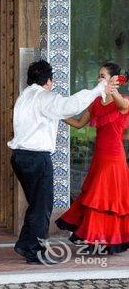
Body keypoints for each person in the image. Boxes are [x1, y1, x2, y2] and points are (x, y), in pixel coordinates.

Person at [7, 59, 118, 265]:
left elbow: (64, 112)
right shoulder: (45, 97)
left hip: (20, 157)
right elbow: (70, 104)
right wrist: (97, 90)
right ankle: (35, 250)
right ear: (48, 81)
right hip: (36, 158)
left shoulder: (25, 96)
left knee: (36, 204)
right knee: (42, 206)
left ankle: (25, 243)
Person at [56, 62, 129, 254]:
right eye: (99, 75)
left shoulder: (124, 100)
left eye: (102, 75)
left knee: (105, 198)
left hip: (114, 158)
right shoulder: (96, 101)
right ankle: (96, 239)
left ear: (113, 79)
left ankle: (107, 240)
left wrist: (111, 89)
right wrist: (57, 114)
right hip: (99, 157)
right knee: (96, 197)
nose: (99, 78)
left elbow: (122, 105)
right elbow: (79, 123)